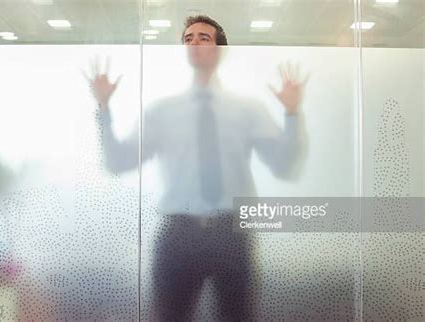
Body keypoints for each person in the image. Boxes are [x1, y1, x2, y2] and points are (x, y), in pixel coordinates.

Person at [86, 15, 308, 321]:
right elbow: (118, 162)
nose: (194, 43)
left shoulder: (247, 109)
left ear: (219, 50)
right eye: (188, 38)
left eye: (204, 37)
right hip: (178, 232)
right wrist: (104, 110)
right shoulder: (162, 111)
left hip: (232, 233)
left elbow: (285, 166)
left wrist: (293, 113)